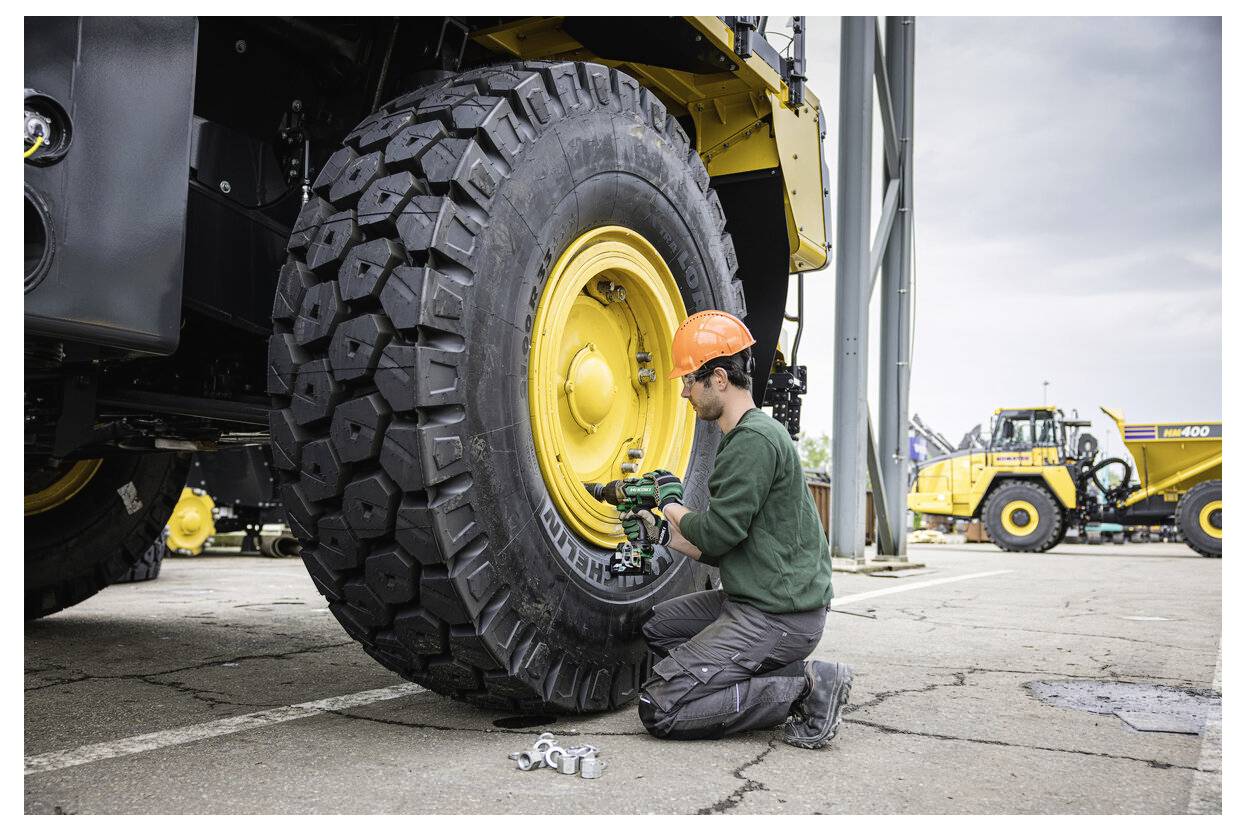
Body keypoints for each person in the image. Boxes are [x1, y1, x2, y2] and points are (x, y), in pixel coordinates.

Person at [628, 310, 852, 749]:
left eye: (688, 381)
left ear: (718, 378)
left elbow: (714, 535)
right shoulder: (747, 437)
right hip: (756, 599)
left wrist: (670, 502)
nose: (684, 393)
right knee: (659, 627)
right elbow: (721, 547)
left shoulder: (753, 440)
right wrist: (663, 534)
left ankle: (807, 686)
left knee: (661, 709)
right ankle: (729, 685)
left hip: (779, 616)